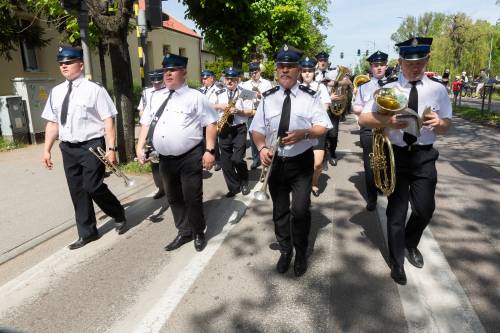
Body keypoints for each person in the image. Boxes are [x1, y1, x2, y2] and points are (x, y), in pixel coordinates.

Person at [359, 37, 452, 285]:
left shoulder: (438, 89)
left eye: (420, 61)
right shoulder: (388, 88)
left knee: (424, 209)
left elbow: (447, 126)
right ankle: (397, 261)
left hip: (424, 155)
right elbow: (364, 119)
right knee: (396, 212)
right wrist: (386, 121)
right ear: (400, 62)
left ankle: (410, 243)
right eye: (410, 62)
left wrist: (439, 123)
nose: (415, 67)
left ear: (426, 61)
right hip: (396, 155)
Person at [250, 44, 332, 277]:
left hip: (301, 162)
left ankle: (301, 251)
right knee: (280, 210)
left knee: (301, 210)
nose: (285, 71)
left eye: (290, 67)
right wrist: (262, 147)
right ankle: (286, 250)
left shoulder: (310, 97)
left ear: (298, 70)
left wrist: (304, 133)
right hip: (276, 163)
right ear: (276, 70)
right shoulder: (268, 99)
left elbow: (323, 126)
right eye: (281, 67)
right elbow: (256, 129)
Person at [41, 46, 127, 250]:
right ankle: (88, 232)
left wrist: (112, 148)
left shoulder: (95, 90)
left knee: (93, 186)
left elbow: (108, 121)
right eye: (61, 63)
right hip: (68, 148)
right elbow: (53, 123)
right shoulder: (56, 92)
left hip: (91, 146)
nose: (64, 65)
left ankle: (118, 213)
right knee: (77, 191)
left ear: (80, 64)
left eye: (69, 62)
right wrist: (46, 149)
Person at [136, 53, 218, 252]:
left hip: (189, 156)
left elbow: (211, 123)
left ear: (183, 72)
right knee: (173, 197)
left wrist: (209, 150)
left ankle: (198, 232)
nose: (168, 74)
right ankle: (184, 231)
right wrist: (139, 146)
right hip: (165, 158)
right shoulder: (156, 97)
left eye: (172, 70)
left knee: (192, 197)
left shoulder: (195, 97)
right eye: (165, 70)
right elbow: (146, 123)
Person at [352, 51, 391, 211]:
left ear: (386, 66)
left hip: (389, 128)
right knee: (370, 164)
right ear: (371, 67)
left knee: (387, 161)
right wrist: (362, 110)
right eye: (376, 65)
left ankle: (385, 186)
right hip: (369, 128)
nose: (379, 68)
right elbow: (355, 106)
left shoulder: (394, 84)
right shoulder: (363, 87)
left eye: (382, 65)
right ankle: (372, 198)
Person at [212, 67, 254, 197]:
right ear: (224, 80)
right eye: (227, 79)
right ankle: (234, 187)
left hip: (239, 129)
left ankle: (244, 181)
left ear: (238, 80)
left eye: (233, 79)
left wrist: (239, 111)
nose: (229, 81)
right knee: (226, 162)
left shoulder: (246, 92)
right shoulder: (218, 92)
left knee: (237, 159)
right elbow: (208, 106)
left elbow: (251, 111)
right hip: (224, 128)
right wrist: (220, 106)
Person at [299, 56, 331, 197]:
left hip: (317, 128)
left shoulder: (321, 87)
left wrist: (315, 117)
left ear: (314, 72)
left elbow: (325, 105)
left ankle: (314, 182)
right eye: (304, 70)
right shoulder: (296, 87)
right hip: (300, 129)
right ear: (300, 72)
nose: (307, 73)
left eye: (310, 71)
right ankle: (303, 185)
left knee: (317, 164)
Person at [137, 70, 166, 199]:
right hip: (151, 132)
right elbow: (141, 110)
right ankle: (161, 188)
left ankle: (172, 186)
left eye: (158, 82)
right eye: (154, 83)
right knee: (155, 162)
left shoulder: (169, 92)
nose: (156, 85)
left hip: (165, 131)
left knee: (168, 162)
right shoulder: (146, 93)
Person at [240, 62, 273, 169]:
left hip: (264, 112)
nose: (253, 75)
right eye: (251, 73)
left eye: (255, 72)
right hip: (251, 113)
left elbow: (271, 97)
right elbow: (242, 98)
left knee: (266, 135)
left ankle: (266, 155)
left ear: (259, 71)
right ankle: (255, 159)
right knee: (253, 135)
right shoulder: (245, 84)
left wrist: (260, 95)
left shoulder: (266, 83)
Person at [200, 69, 222, 171]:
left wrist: (207, 105)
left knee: (214, 141)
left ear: (211, 78)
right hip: (202, 120)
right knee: (204, 140)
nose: (203, 81)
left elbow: (220, 105)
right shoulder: (200, 90)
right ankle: (205, 159)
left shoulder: (218, 90)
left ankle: (217, 160)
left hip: (213, 119)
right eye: (202, 79)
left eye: (205, 78)